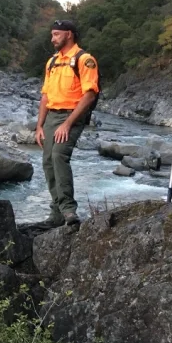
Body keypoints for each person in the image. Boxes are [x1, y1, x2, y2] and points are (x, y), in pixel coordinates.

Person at [35, 20, 99, 226]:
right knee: (47, 162)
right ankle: (57, 213)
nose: (52, 38)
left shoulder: (85, 60)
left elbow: (89, 95)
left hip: (72, 115)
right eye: (52, 34)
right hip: (51, 116)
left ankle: (69, 211)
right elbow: (45, 96)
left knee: (58, 156)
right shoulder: (52, 61)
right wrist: (39, 126)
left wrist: (68, 124)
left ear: (69, 34)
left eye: (56, 34)